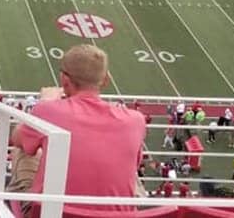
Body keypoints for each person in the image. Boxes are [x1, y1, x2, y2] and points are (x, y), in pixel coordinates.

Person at [10, 45, 146, 214]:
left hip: (51, 213)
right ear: (105, 80)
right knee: (128, 166)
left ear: (64, 79)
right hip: (116, 215)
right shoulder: (135, 120)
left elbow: (16, 138)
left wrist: (44, 103)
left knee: (22, 151)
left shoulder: (47, 110)